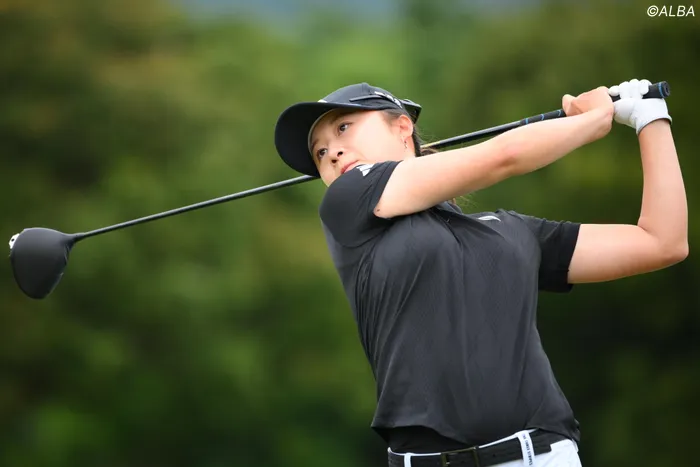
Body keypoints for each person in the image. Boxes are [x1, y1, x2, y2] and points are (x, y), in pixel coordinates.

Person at [273, 79, 687, 467]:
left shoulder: (510, 231)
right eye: (320, 153)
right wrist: (595, 119)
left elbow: (662, 242)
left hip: (543, 455)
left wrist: (649, 117)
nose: (332, 153)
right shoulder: (346, 202)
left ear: (402, 128)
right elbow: (503, 157)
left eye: (343, 128)